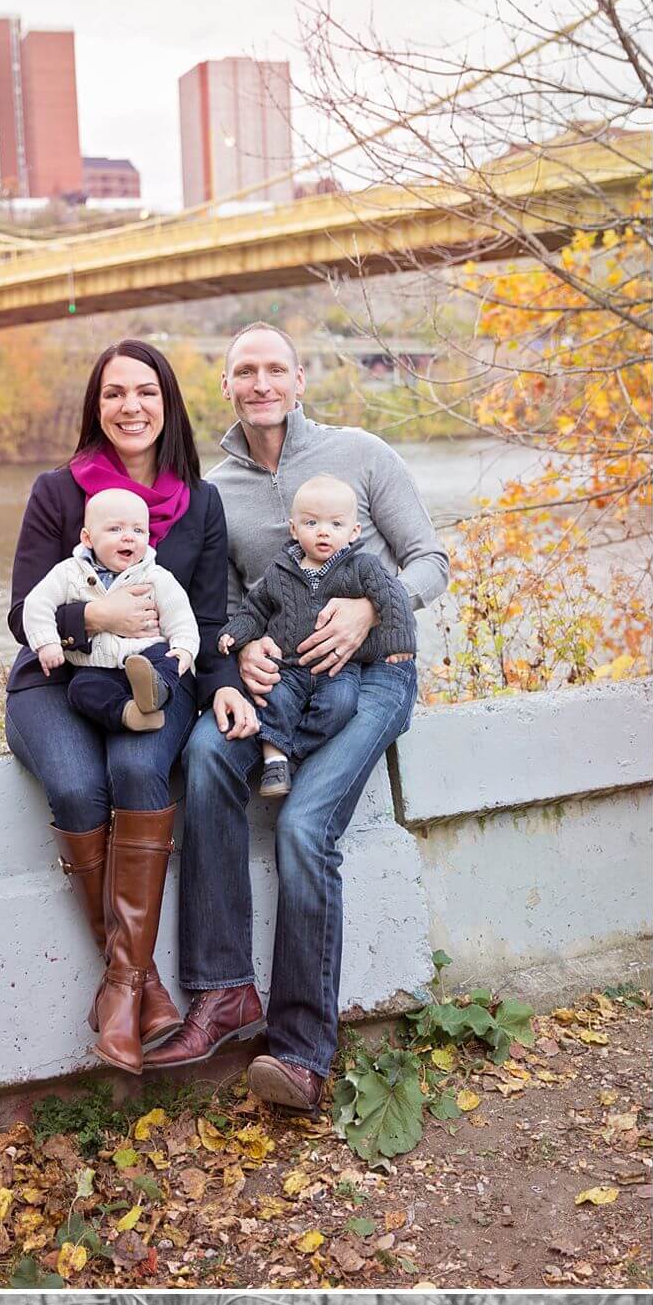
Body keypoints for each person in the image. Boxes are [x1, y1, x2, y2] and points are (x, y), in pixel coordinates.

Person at [145, 322, 449, 1112]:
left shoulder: (363, 453)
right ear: (226, 387)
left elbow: (431, 561)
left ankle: (302, 1053)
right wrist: (239, 659)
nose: (261, 383)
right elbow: (227, 604)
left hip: (375, 675)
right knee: (209, 753)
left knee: (303, 827)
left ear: (300, 377)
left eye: (274, 367)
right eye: (244, 370)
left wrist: (362, 610)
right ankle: (221, 992)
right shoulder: (216, 490)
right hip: (280, 683)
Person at [5, 340, 240, 1076]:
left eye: (145, 391)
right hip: (54, 679)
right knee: (77, 786)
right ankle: (145, 986)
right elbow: (23, 613)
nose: (130, 406)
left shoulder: (200, 503)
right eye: (113, 393)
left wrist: (223, 677)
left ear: (167, 402)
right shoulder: (58, 492)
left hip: (153, 680)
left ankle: (119, 987)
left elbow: (205, 616)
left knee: (141, 769)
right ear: (95, 405)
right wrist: (95, 618)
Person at [218, 473, 416, 797]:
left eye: (335, 525)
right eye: (311, 523)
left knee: (341, 705)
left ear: (353, 532)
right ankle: (274, 759)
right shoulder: (280, 572)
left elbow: (391, 598)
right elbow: (254, 610)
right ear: (294, 529)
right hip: (289, 667)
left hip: (337, 668)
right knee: (273, 699)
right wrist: (235, 635)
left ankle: (293, 753)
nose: (323, 531)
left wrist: (399, 641)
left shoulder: (362, 567)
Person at [22, 486, 200, 735]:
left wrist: (183, 648)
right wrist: (48, 643)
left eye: (138, 530)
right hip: (97, 665)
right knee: (81, 689)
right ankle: (130, 713)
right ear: (87, 538)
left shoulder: (155, 577)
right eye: (115, 529)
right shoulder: (69, 573)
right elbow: (37, 603)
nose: (129, 537)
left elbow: (179, 614)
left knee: (169, 662)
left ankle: (155, 692)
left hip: (147, 652)